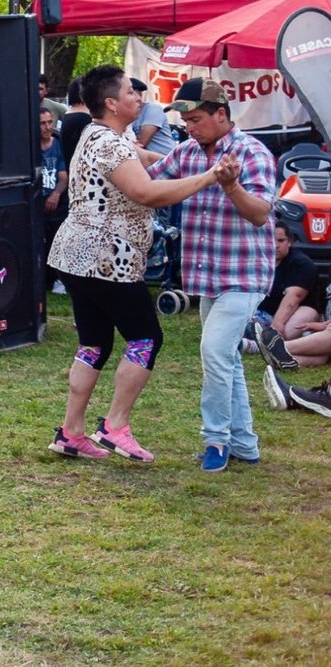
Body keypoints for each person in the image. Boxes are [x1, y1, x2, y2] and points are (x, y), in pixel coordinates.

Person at [45, 65, 229, 463]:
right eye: (131, 91)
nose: (139, 97)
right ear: (112, 103)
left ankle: (71, 433)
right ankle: (115, 427)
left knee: (94, 343)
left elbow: (142, 156)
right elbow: (145, 192)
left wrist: (184, 161)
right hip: (106, 259)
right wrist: (209, 177)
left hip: (76, 255)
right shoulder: (109, 144)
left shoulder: (103, 134)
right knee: (146, 338)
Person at [149, 76, 276, 472]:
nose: (189, 127)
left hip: (245, 273)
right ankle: (245, 445)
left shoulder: (252, 152)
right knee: (227, 358)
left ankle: (215, 440)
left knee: (215, 352)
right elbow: (149, 180)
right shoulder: (186, 152)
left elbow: (260, 214)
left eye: (196, 119)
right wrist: (118, 149)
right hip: (206, 276)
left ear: (221, 114)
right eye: (185, 121)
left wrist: (231, 186)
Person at [253, 226, 330, 371]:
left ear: (289, 241)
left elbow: (294, 296)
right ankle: (279, 359)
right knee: (322, 356)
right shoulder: (259, 260)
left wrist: (277, 325)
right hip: (266, 313)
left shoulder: (301, 263)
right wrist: (325, 325)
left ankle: (275, 347)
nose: (276, 245)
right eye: (271, 240)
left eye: (280, 240)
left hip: (300, 315)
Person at [40, 107, 68, 292]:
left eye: (50, 122)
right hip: (36, 202)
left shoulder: (58, 144)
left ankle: (59, 279)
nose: (47, 127)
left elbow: (64, 177)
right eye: (43, 123)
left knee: (57, 240)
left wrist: (56, 194)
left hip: (56, 201)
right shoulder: (29, 147)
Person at [129, 78, 177, 155]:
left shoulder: (153, 109)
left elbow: (141, 143)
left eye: (136, 94)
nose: (138, 98)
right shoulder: (126, 113)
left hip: (166, 158)